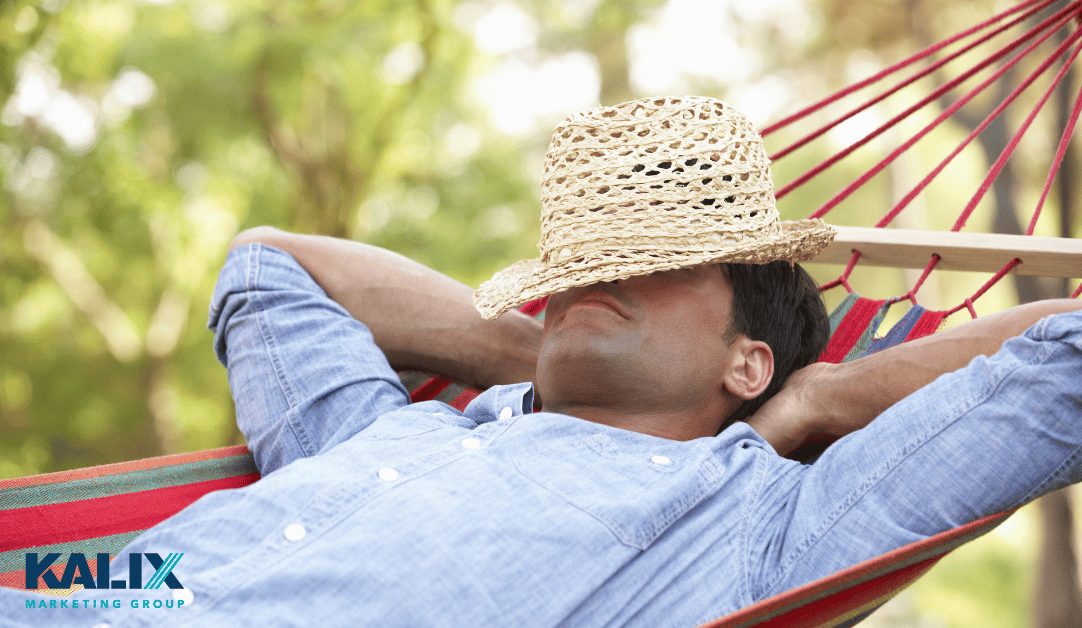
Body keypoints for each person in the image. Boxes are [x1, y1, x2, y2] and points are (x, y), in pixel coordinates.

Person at [3, 96, 1080, 628]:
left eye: (658, 267)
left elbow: (1061, 364)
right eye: (579, 265)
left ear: (745, 362)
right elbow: (267, 269)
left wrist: (826, 397)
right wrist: (542, 349)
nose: (584, 279)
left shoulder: (756, 527)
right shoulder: (384, 434)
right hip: (69, 596)